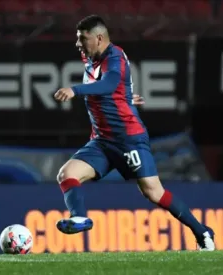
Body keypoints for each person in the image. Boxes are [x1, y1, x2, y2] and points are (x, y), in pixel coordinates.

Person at [53, 15, 215, 251]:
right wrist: (126, 98)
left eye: (82, 39)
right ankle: (79, 218)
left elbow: (109, 85)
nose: (78, 44)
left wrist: (74, 90)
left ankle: (202, 233)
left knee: (153, 192)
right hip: (102, 141)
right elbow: (116, 88)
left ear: (99, 38)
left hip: (129, 139)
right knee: (67, 174)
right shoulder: (89, 58)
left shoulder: (115, 57)